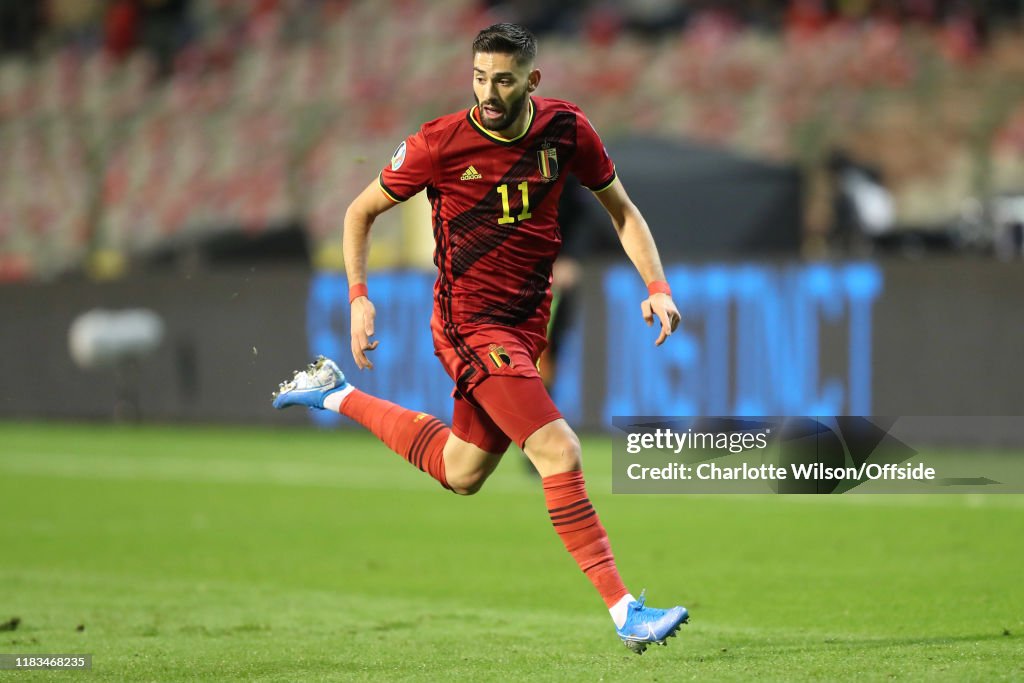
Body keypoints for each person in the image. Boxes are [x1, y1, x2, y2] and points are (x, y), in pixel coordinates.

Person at [273, 23, 687, 654]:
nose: (488, 93)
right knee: (560, 450)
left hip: (526, 322)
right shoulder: (440, 143)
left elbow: (622, 211)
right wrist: (359, 297)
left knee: (461, 471)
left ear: (532, 80)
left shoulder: (567, 131)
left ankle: (333, 394)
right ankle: (625, 610)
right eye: (479, 78)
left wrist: (656, 285)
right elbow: (359, 212)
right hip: (469, 323)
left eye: (503, 80)